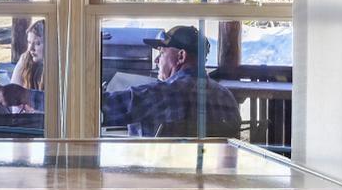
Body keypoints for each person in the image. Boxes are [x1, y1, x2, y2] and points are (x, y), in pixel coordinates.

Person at [100, 24, 242, 139]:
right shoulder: (226, 97)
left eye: (162, 53)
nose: (156, 60)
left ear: (181, 56)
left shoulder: (161, 95)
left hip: (159, 173)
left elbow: (97, 111)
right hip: (212, 173)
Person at [12, 19, 46, 94]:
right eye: (29, 42)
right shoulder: (25, 59)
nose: (30, 49)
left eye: (37, 43)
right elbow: (14, 91)